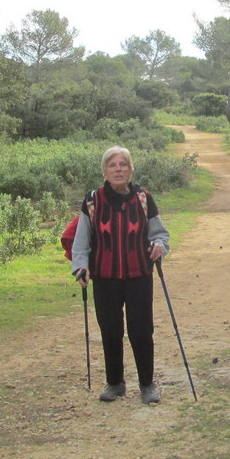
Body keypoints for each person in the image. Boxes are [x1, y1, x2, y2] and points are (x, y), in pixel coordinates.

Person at [71, 146, 170, 404]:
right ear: (104, 171)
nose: (118, 169)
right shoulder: (93, 201)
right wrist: (80, 267)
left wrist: (160, 246)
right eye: (113, 165)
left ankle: (147, 385)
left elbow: (160, 234)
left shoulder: (143, 199)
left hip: (138, 275)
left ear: (130, 169)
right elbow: (81, 242)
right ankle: (115, 383)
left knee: (141, 330)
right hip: (105, 278)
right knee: (110, 330)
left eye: (123, 164)